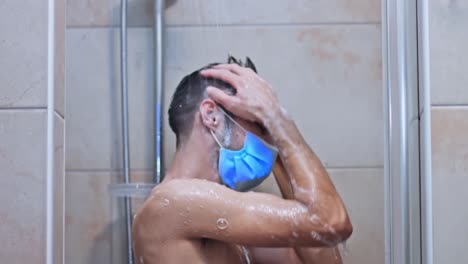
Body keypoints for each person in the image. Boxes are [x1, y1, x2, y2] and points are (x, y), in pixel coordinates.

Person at [132, 56, 353, 264]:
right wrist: (278, 120)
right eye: (257, 123)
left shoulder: (231, 220)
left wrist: (277, 143)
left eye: (265, 128)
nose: (265, 138)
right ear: (211, 116)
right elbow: (330, 222)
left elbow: (324, 246)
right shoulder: (170, 203)